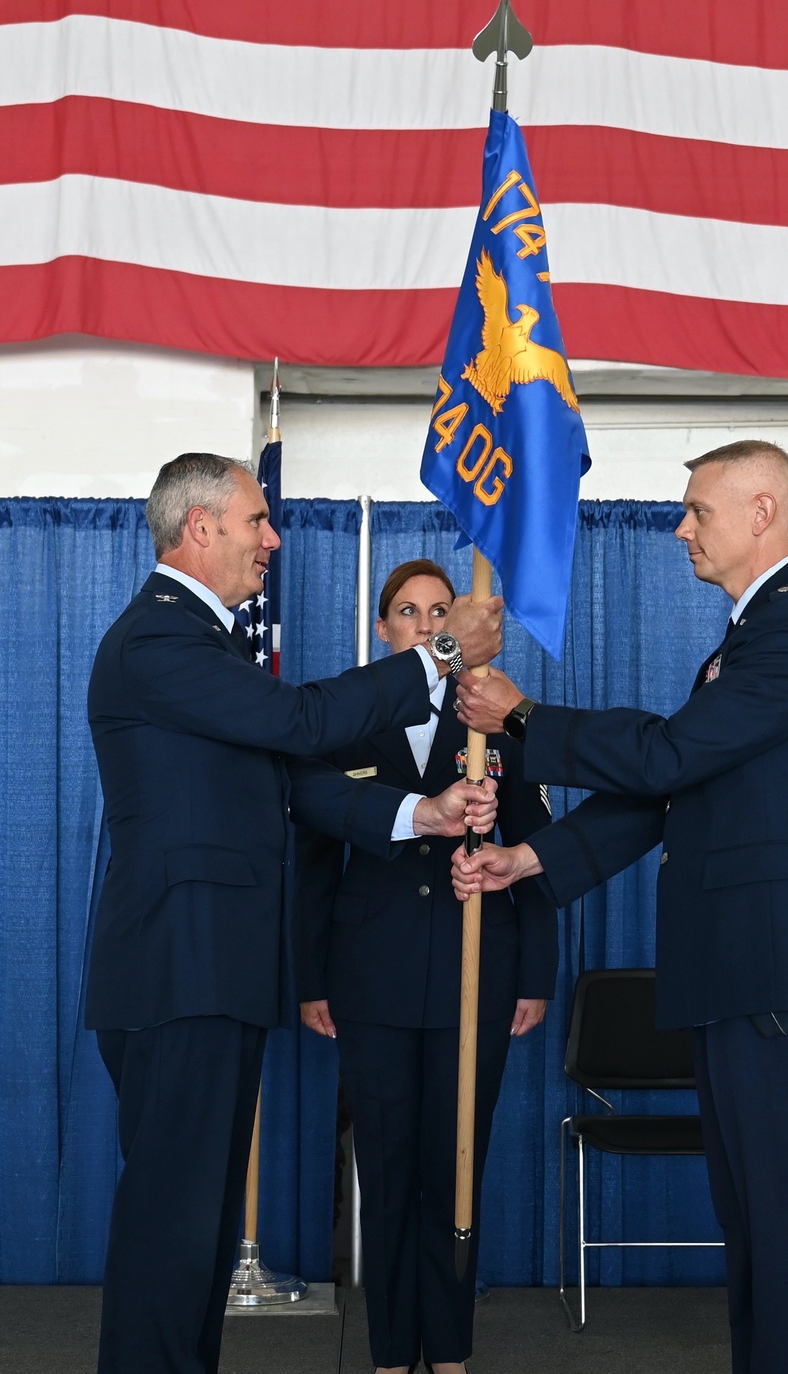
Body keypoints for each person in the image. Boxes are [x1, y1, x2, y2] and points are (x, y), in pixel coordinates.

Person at [452, 441, 788, 1374]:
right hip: (743, 976)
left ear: (762, 512)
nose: (682, 528)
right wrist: (532, 857)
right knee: (757, 1228)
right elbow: (673, 792)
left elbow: (666, 760)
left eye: (698, 510)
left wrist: (525, 718)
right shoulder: (751, 635)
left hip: (783, 976)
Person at [85, 456, 502, 1374]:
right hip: (177, 971)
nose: (272, 538)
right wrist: (438, 655)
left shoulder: (205, 644)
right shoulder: (161, 642)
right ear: (200, 528)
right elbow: (305, 726)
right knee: (172, 1229)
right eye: (256, 521)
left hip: (212, 973)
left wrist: (415, 815)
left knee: (195, 1232)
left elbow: (298, 790)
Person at [292, 559, 558, 1374]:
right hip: (370, 977)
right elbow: (311, 860)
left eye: (439, 609)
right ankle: (387, 1353)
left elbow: (535, 851)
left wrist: (536, 972)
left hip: (474, 975)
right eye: (406, 612)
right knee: (386, 1163)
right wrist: (310, 977)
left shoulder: (496, 717)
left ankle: (448, 1351)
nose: (420, 622)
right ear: (384, 629)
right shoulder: (345, 717)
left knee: (456, 1172)